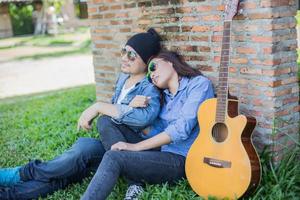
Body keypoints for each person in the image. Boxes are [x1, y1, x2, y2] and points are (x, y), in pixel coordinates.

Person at [0, 28, 162, 200]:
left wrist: (100, 107)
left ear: (147, 61)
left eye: (132, 55)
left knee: (85, 147)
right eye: (124, 51)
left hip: (134, 151)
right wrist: (126, 106)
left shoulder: (149, 88)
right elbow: (118, 111)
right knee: (69, 168)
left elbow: (144, 118)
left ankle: (18, 174)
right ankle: (9, 194)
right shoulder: (123, 78)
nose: (124, 57)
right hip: (111, 145)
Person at [80, 50, 215, 200]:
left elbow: (181, 129)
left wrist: (134, 147)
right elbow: (153, 131)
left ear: (170, 61)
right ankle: (136, 181)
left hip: (181, 159)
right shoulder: (162, 97)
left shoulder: (198, 84)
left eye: (153, 67)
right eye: (149, 76)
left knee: (114, 157)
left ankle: (133, 180)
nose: (152, 75)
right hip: (160, 151)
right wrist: (131, 107)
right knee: (106, 120)